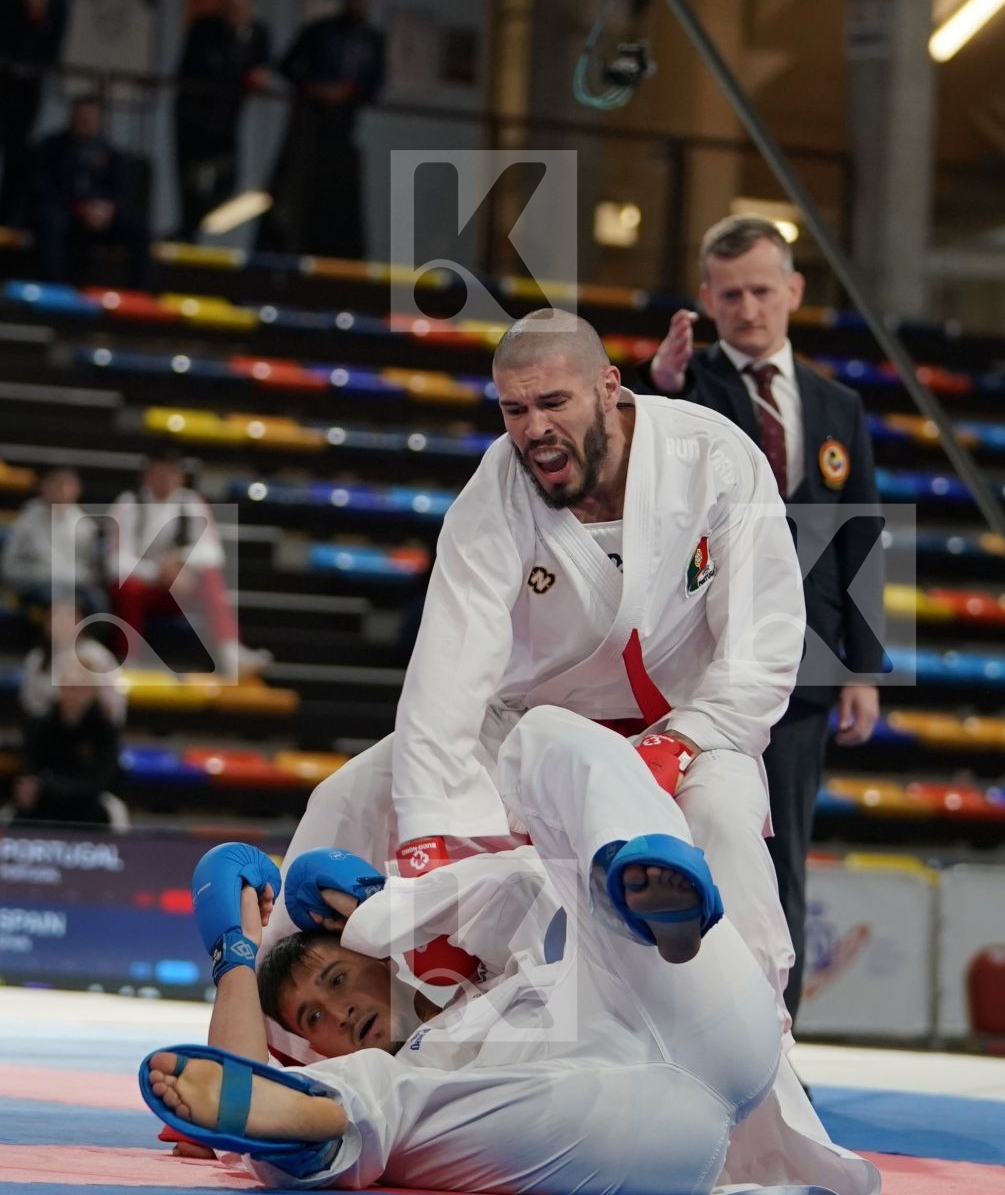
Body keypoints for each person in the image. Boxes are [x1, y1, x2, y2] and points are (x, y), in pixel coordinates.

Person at [262, 308, 818, 1189]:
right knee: (348, 794)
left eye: (551, 404)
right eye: (513, 411)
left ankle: (763, 1071)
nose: (532, 430)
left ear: (610, 388)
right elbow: (447, 675)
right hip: (527, 727)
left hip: (693, 723)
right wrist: (432, 854)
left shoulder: (717, 460)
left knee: (717, 817)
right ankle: (272, 1055)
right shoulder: (496, 492)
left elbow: (767, 642)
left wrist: (684, 743)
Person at [146, 708, 876, 1195]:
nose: (337, 1011)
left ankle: (635, 866)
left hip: (675, 980)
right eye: (313, 1018)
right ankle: (327, 1126)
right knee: (395, 1105)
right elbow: (228, 1087)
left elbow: (516, 886)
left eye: (337, 979)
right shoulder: (410, 1064)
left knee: (546, 736)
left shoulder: (475, 918)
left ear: (377, 959)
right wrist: (234, 953)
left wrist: (374, 912)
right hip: (623, 1123)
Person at [630, 213, 884, 1023]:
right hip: (699, 664)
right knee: (694, 848)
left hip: (806, 666)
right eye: (729, 294)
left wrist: (866, 669)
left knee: (785, 861)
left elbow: (866, 535)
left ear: (794, 291)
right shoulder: (685, 386)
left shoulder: (836, 404)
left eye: (761, 291)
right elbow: (641, 464)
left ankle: (776, 1043)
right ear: (706, 298)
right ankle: (687, 1029)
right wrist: (658, 386)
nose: (746, 308)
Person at [106, 446, 266, 678]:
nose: (164, 479)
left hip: (180, 587)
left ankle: (231, 655)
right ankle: (130, 661)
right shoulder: (128, 504)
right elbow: (115, 562)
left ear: (180, 476)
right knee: (127, 589)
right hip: (143, 584)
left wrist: (180, 564)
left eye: (170, 473)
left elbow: (213, 552)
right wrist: (157, 572)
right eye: (158, 473)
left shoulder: (191, 503)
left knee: (211, 578)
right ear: (145, 476)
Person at [254, 0, 384, 259]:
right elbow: (288, 66)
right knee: (295, 200)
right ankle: (280, 253)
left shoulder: (372, 40)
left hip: (342, 134)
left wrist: (348, 93)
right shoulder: (321, 31)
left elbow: (373, 85)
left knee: (338, 209)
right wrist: (315, 88)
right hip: (308, 131)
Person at [171, 0, 270, 242]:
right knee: (191, 180)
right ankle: (188, 231)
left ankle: (199, 226)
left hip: (228, 120)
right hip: (194, 117)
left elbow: (263, 66)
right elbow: (199, 68)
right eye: (231, 7)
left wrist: (256, 78)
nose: (236, 13)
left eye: (241, 7)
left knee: (228, 180)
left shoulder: (257, 33)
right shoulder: (205, 28)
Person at [32, 95, 152, 289]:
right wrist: (80, 208)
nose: (86, 121)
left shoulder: (111, 154)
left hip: (101, 216)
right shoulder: (52, 148)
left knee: (139, 228)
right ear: (72, 116)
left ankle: (137, 293)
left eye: (91, 116)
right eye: (82, 115)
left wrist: (107, 209)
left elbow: (121, 191)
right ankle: (53, 289)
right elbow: (44, 187)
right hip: (67, 213)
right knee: (51, 221)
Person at [0, 0, 69, 227]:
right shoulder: (5, 1)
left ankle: (4, 219)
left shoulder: (56, 6)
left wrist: (39, 16)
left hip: (28, 89)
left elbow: (51, 51)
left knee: (16, 157)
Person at [11, 659, 124, 826]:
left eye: (80, 689)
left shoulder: (104, 729)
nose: (73, 695)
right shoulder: (40, 725)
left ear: (93, 691)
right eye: (68, 688)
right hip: (45, 804)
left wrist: (49, 785)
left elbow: (103, 779)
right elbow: (30, 770)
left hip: (88, 804)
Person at [0, 465, 103, 613]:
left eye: (66, 483)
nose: (60, 488)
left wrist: (67, 579)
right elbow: (8, 568)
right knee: (60, 598)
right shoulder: (26, 522)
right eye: (55, 482)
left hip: (74, 588)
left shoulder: (85, 526)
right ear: (43, 486)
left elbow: (91, 574)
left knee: (97, 601)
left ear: (77, 488)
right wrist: (45, 575)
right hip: (37, 586)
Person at [20, 598, 125, 727]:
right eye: (55, 618)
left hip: (91, 728)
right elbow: (30, 704)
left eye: (68, 618)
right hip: (48, 730)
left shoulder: (98, 656)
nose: (61, 624)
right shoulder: (37, 658)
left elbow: (114, 707)